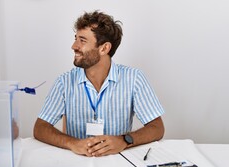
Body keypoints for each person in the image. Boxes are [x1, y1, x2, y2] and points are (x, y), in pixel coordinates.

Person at [34, 10, 165, 157]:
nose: (74, 46)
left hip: (120, 162)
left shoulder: (134, 79)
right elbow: (40, 128)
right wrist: (73, 143)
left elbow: (157, 128)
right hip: (78, 162)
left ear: (104, 48)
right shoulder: (64, 82)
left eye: (82, 40)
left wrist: (124, 140)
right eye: (76, 38)